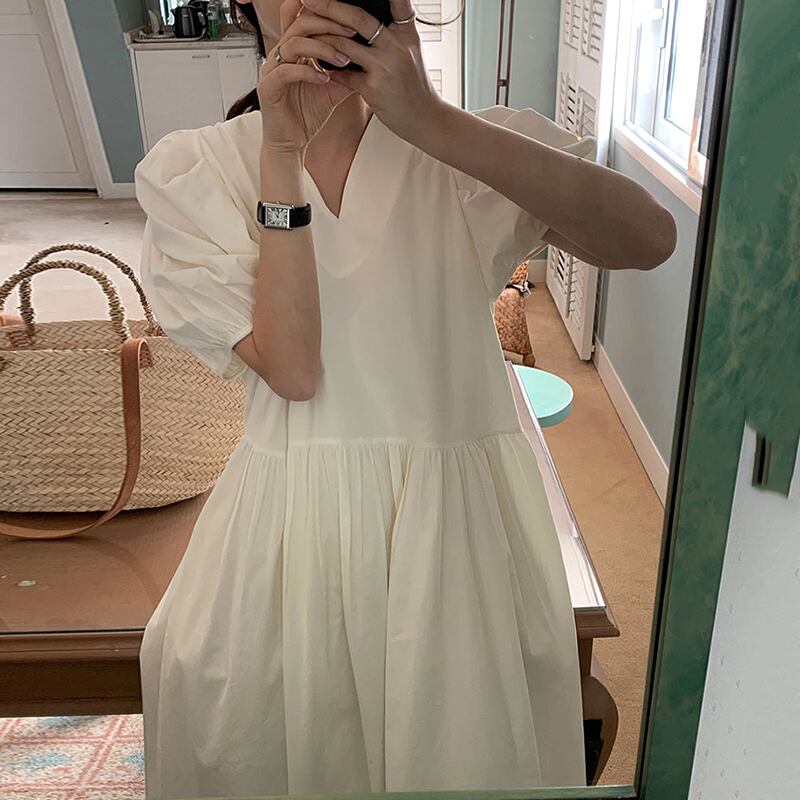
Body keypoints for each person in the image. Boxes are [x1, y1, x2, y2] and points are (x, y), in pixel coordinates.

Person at [134, 1, 677, 797]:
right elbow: (294, 370)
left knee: (462, 750)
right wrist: (279, 153)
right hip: (290, 535)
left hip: (454, 536)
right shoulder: (197, 171)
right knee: (277, 747)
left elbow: (649, 239)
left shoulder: (465, 148)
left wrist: (431, 122)